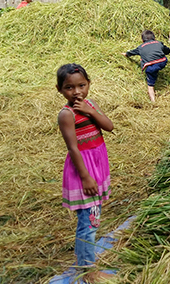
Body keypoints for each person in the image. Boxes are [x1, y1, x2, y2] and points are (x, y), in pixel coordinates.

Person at [56, 64, 114, 283]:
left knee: (93, 218)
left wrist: (90, 111)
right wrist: (86, 177)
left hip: (97, 166)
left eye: (81, 85)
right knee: (88, 222)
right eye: (69, 88)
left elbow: (109, 126)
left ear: (89, 84)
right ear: (60, 89)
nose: (77, 92)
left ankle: (86, 263)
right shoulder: (66, 114)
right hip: (84, 172)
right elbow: (73, 148)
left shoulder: (90, 105)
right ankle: (88, 271)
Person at [122, 30, 170, 102]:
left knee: (150, 85)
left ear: (142, 40)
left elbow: (131, 52)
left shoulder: (140, 47)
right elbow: (168, 51)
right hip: (162, 62)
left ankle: (153, 101)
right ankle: (157, 69)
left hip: (150, 66)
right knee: (159, 62)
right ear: (154, 38)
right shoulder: (158, 43)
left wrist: (125, 54)